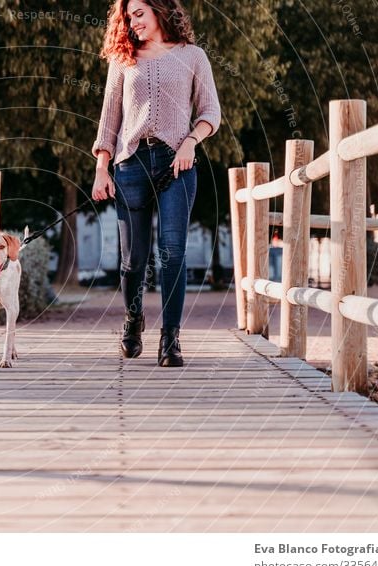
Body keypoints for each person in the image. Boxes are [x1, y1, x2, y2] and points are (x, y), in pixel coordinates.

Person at [91, 0, 221, 366]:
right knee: (133, 261)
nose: (133, 24)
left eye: (139, 14)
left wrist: (190, 143)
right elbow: (109, 120)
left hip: (176, 164)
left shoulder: (193, 56)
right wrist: (102, 169)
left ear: (160, 12)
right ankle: (133, 320)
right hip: (130, 165)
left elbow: (210, 111)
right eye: (128, 18)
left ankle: (171, 340)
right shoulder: (123, 60)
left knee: (173, 254)